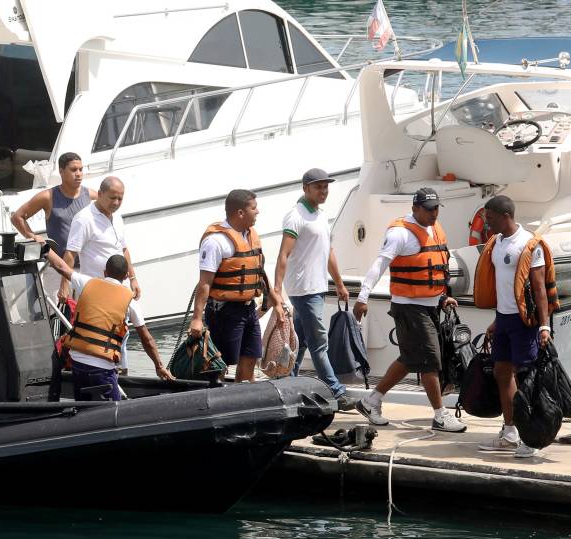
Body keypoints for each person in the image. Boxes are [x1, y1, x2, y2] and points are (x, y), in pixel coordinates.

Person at [352, 187, 467, 432]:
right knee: (429, 362)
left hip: (430, 305)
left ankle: (370, 401)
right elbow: (379, 264)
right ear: (415, 208)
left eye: (436, 208)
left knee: (409, 359)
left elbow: (439, 268)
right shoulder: (400, 234)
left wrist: (444, 296)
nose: (434, 213)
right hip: (409, 307)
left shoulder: (434, 229)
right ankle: (439, 415)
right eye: (428, 209)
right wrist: (362, 297)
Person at [474, 195, 557, 458]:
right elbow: (504, 288)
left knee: (526, 379)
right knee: (501, 372)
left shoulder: (529, 244)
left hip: (525, 322)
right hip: (505, 319)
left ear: (505, 216)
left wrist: (544, 326)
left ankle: (531, 437)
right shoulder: (496, 243)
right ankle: (510, 432)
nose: (487, 224)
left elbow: (539, 289)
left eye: (490, 219)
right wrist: (498, 321)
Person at [46, 250, 172, 400]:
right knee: (113, 412)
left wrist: (44, 246)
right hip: (102, 368)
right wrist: (159, 366)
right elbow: (147, 340)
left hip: (77, 362)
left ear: (105, 272)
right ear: (126, 276)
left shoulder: (87, 283)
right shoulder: (130, 301)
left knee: (82, 408)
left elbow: (61, 266)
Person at [273, 168, 350, 407]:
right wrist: (277, 290)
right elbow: (283, 254)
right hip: (304, 289)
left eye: (326, 187)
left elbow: (329, 253)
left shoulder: (320, 215)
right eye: (318, 187)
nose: (324, 191)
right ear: (305, 188)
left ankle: (287, 382)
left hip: (316, 287)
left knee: (302, 341)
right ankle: (336, 390)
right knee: (319, 343)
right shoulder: (295, 216)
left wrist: (339, 283)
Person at [189, 189, 272, 382]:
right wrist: (197, 319)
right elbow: (204, 284)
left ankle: (243, 401)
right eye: (254, 208)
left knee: (251, 358)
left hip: (249, 310)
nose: (258, 212)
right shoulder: (216, 241)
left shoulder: (251, 235)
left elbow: (257, 269)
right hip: (224, 312)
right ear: (240, 212)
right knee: (220, 364)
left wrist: (272, 299)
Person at [64, 176, 140, 372]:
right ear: (99, 194)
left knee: (122, 332)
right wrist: (64, 285)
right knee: (101, 337)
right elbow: (70, 253)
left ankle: (121, 372)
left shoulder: (118, 217)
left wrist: (133, 278)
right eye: (112, 198)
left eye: (120, 199)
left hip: (119, 288)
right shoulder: (84, 219)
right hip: (97, 291)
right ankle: (105, 373)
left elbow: (123, 249)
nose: (116, 203)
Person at [10, 152, 97, 300]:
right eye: (73, 170)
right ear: (61, 172)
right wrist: (32, 236)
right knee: (57, 319)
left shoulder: (91, 196)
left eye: (81, 169)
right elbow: (17, 217)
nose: (79, 174)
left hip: (86, 269)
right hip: (58, 270)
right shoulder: (48, 196)